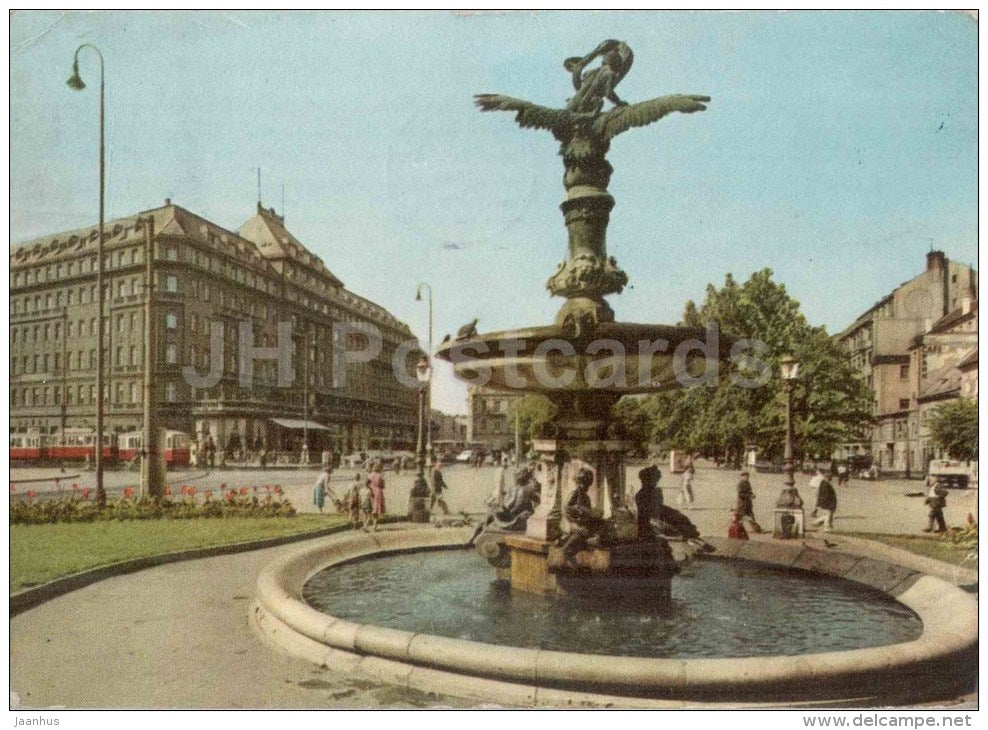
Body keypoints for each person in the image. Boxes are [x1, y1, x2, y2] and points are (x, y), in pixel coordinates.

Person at [559, 467, 606, 562]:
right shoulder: (575, 493)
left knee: (602, 524)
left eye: (588, 484)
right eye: (585, 484)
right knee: (582, 532)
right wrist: (575, 520)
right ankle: (565, 550)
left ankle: (589, 541)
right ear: (580, 482)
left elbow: (588, 512)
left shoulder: (586, 497)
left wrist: (593, 513)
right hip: (572, 523)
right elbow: (565, 510)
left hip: (583, 522)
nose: (586, 487)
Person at [366, 463, 386, 531]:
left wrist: (371, 488)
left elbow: (366, 483)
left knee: (371, 509)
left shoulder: (370, 475)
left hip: (371, 492)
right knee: (376, 510)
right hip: (378, 493)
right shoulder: (380, 476)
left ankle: (366, 525)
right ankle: (374, 526)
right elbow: (383, 486)